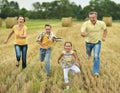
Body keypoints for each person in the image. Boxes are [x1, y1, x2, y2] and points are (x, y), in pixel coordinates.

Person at [81, 11, 108, 76]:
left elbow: (105, 30)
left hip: (97, 42)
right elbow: (81, 33)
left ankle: (96, 71)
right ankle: (88, 55)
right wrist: (85, 34)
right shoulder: (85, 24)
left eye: (93, 17)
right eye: (90, 18)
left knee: (96, 56)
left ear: (96, 17)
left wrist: (103, 37)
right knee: (88, 55)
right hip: (88, 43)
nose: (92, 19)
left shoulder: (101, 23)